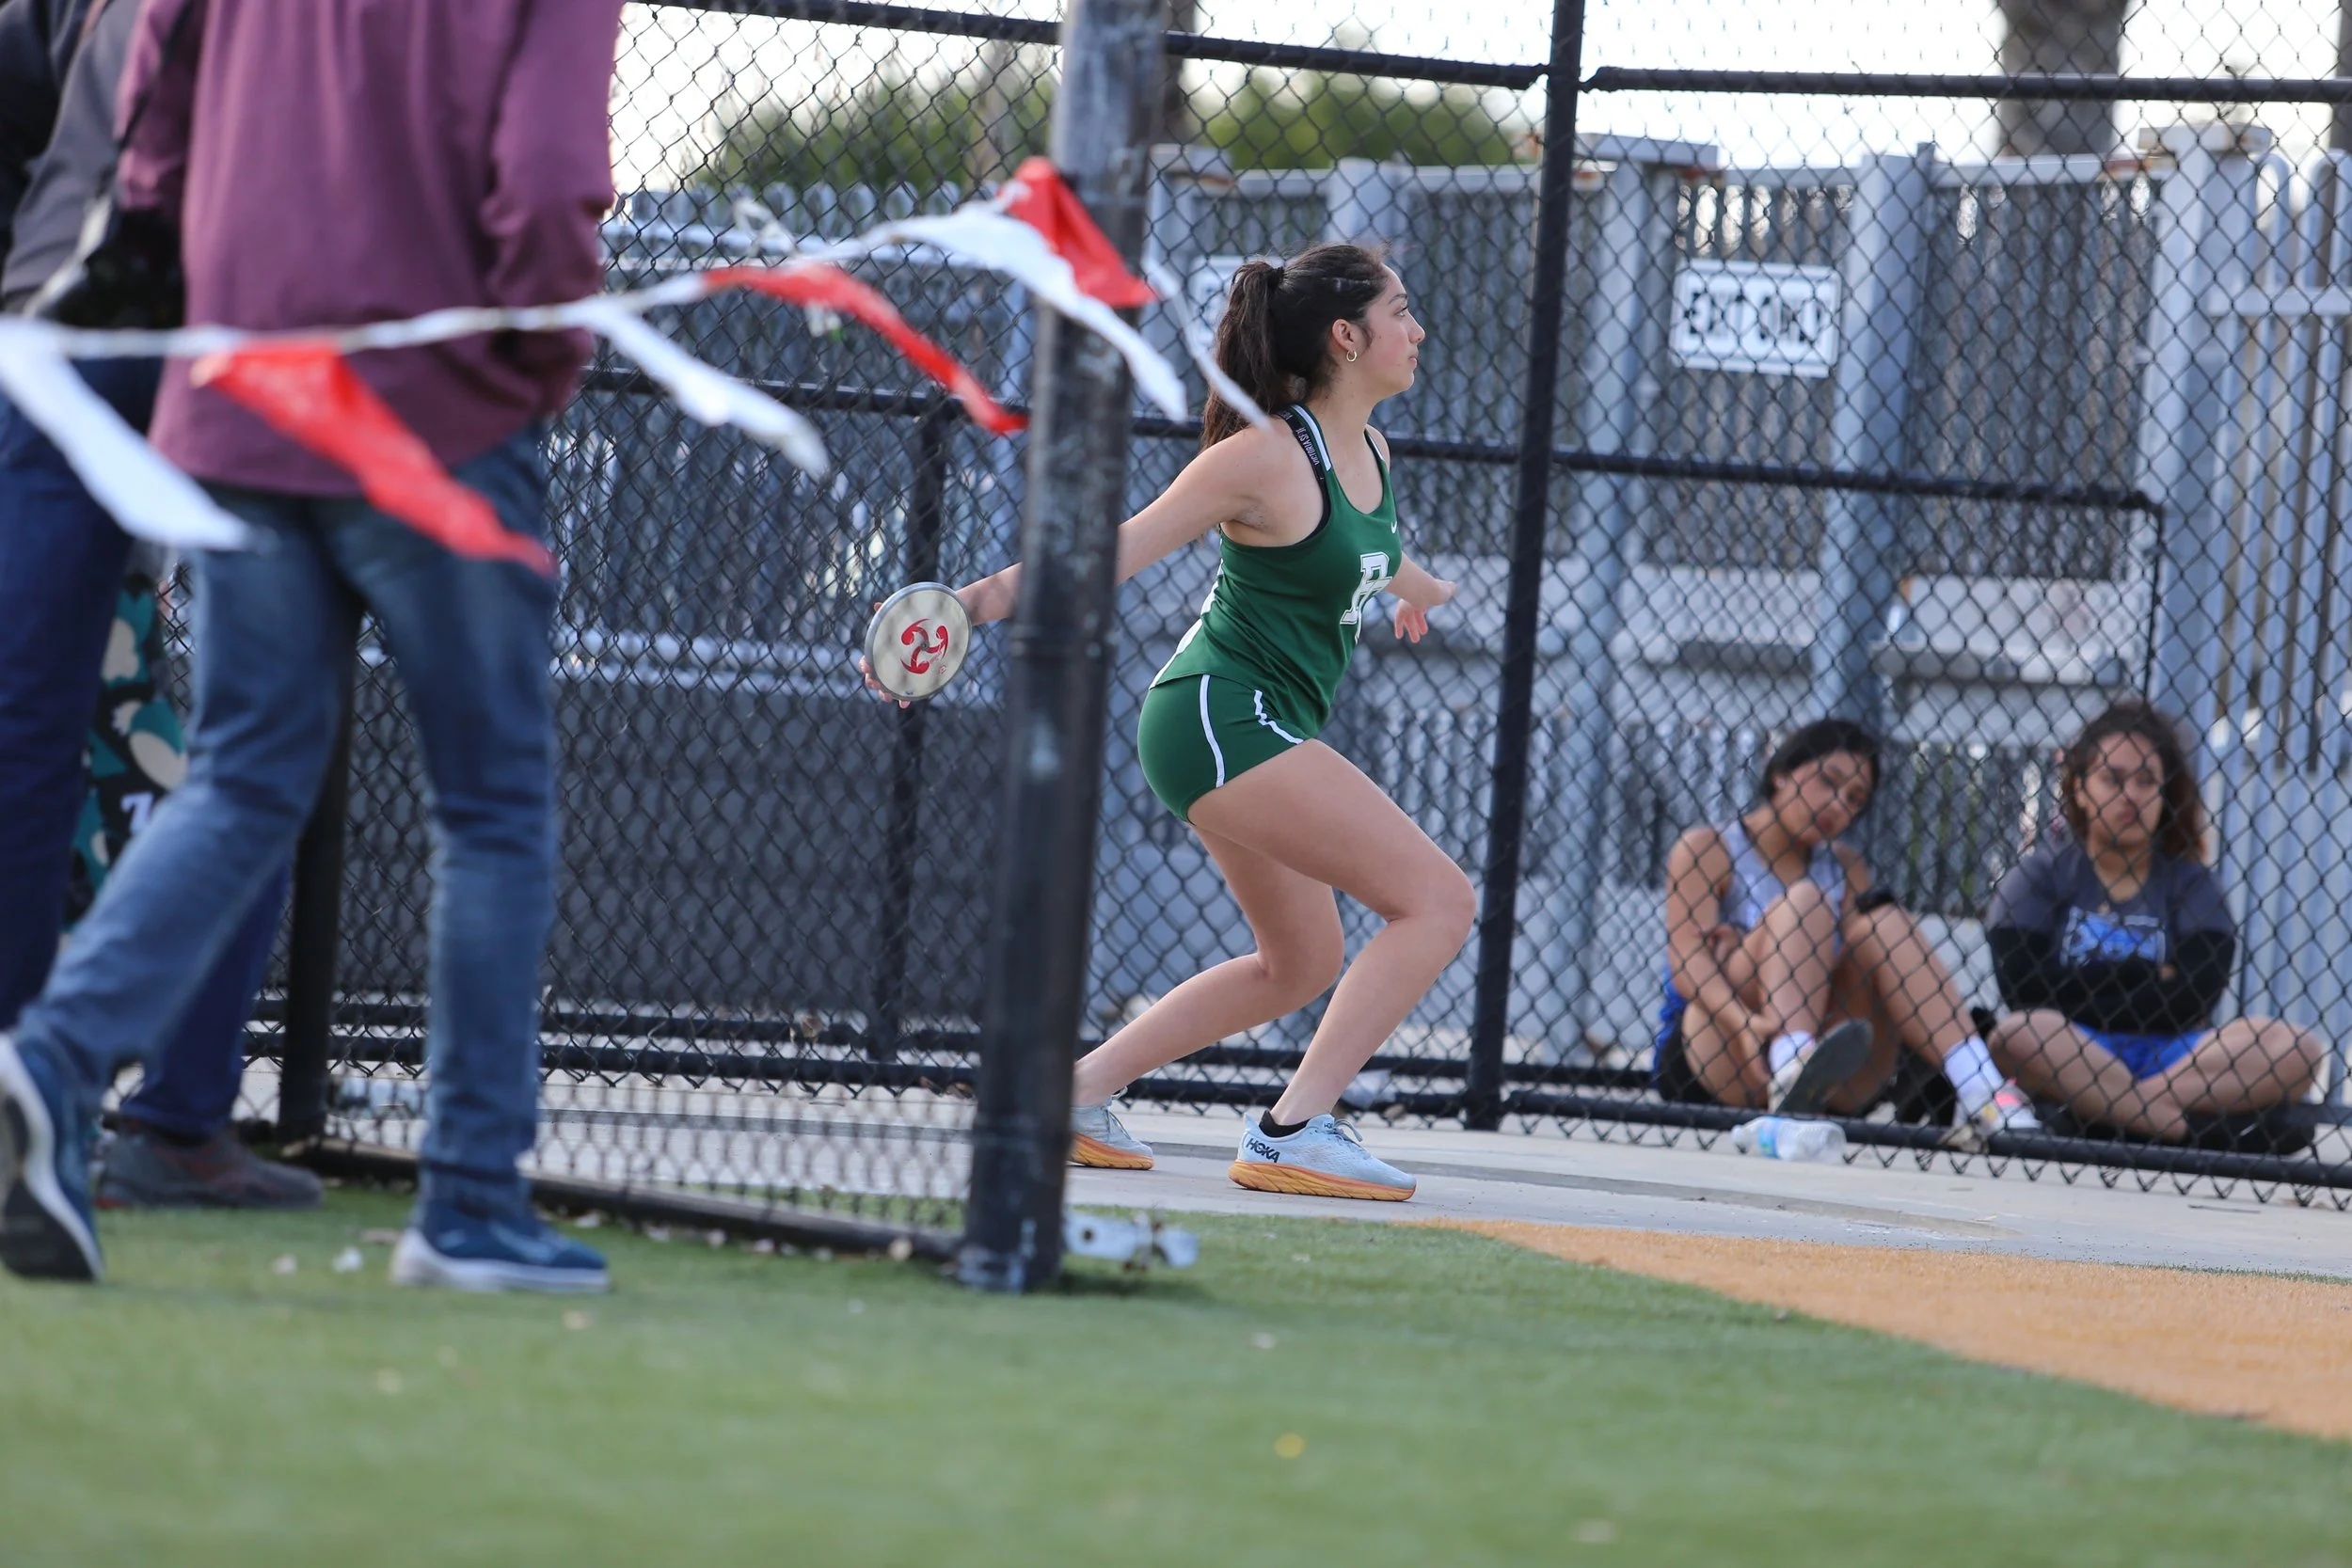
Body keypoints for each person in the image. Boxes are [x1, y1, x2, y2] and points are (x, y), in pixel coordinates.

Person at [0, 0, 626, 1290]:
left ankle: (50, 1060)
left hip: (242, 381)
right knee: (492, 805)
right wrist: (542, 357)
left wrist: (205, 283)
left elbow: (154, 126)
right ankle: (469, 1200)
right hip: (436, 402)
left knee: (241, 773)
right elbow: (550, 174)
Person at [948, 244, 1467, 1200]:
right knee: (1438, 900)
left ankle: (1071, 1095)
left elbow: (1364, 549)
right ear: (1346, 337)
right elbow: (1103, 555)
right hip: (1220, 714)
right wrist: (964, 608)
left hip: (1245, 724)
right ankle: (1292, 1132)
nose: (1418, 329)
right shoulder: (1263, 456)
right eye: (1401, 310)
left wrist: (1418, 588)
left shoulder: (1372, 453)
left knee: (1300, 962)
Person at [0, 0, 308, 1210]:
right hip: (229, 327)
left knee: (46, 728)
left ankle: (70, 1096)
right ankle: (157, 1111)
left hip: (80, 318)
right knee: (256, 743)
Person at [1655, 718, 2042, 1147]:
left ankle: (1981, 1087)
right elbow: (1687, 964)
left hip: (1830, 1069)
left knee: (1884, 920)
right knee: (1805, 902)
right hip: (1722, 1048)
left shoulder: (1845, 866)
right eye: (1828, 781)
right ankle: (1790, 1065)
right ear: (1781, 772)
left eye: (1855, 798)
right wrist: (1746, 1018)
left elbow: (1860, 966)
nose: (1839, 804)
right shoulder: (1709, 848)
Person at [1984, 699, 2323, 1146]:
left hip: (2174, 1057)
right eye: (2113, 778)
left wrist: (2081, 985)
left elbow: (2194, 996)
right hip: (2074, 1048)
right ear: (2080, 789)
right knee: (2017, 1036)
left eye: (2146, 781)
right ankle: (2180, 1129)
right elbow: (2023, 991)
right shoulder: (2038, 876)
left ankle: (2106, 1114)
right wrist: (2144, 973)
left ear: (2165, 794)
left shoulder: (2193, 884)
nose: (2130, 795)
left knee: (2297, 1049)